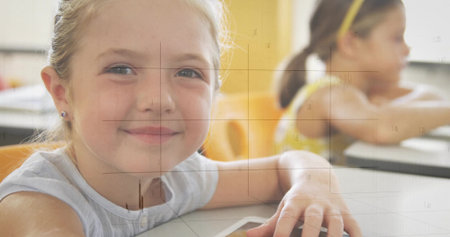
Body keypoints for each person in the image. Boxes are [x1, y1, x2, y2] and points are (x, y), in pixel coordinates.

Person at [0, 0, 362, 236]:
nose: (158, 100)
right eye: (121, 68)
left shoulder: (180, 179)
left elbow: (292, 163)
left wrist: (313, 186)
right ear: (62, 92)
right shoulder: (41, 207)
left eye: (188, 72)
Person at [275, 0, 450, 162]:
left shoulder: (368, 89)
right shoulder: (330, 94)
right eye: (397, 38)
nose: (407, 49)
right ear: (350, 43)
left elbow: (432, 95)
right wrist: (387, 115)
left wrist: (389, 111)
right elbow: (381, 129)